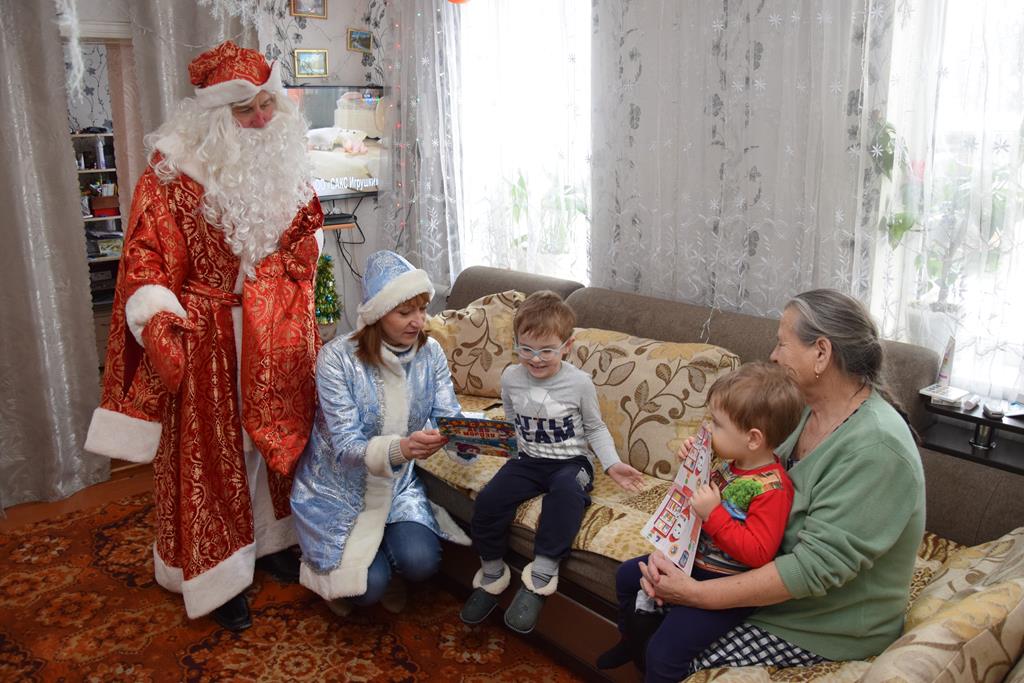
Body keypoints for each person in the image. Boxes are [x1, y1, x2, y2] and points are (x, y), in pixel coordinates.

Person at [84, 40, 324, 632]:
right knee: (213, 456)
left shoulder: (286, 165)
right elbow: (144, 257)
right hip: (210, 333)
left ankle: (269, 539)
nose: (261, 119)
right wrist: (156, 315)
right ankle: (216, 574)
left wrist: (296, 267)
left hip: (276, 330)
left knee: (273, 440)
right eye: (245, 110)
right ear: (215, 116)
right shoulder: (172, 175)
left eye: (267, 104)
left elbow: (304, 236)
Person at [629, 289, 926, 681]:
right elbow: (749, 470)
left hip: (821, 623)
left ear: (821, 352)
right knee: (643, 586)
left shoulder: (877, 448)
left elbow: (810, 569)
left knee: (669, 652)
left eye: (782, 344)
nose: (773, 355)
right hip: (760, 577)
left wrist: (697, 594)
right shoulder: (804, 409)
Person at [290, 250, 471, 616]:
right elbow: (345, 446)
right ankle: (355, 580)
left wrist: (471, 439)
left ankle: (385, 559)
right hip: (337, 489)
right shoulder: (336, 359)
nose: (419, 321)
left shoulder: (431, 353)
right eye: (405, 312)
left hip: (397, 485)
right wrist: (402, 448)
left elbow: (448, 416)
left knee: (422, 562)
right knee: (368, 588)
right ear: (377, 313)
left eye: (422, 309)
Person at [596, 361, 804, 675]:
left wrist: (714, 514)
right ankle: (631, 639)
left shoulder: (772, 488)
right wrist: (694, 461)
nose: (708, 429)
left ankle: (649, 656)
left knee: (663, 654)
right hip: (694, 560)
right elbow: (694, 493)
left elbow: (759, 552)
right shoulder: (732, 462)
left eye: (717, 425)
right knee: (627, 576)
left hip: (724, 584)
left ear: (753, 439)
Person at [460, 291, 646, 634]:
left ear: (567, 346)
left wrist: (611, 464)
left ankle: (542, 574)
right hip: (528, 460)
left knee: (566, 495)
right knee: (487, 500)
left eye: (546, 350)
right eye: (526, 349)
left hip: (571, 463)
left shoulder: (579, 383)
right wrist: (484, 441)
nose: (535, 359)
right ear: (516, 344)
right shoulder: (511, 378)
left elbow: (595, 428)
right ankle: (492, 573)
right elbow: (511, 419)